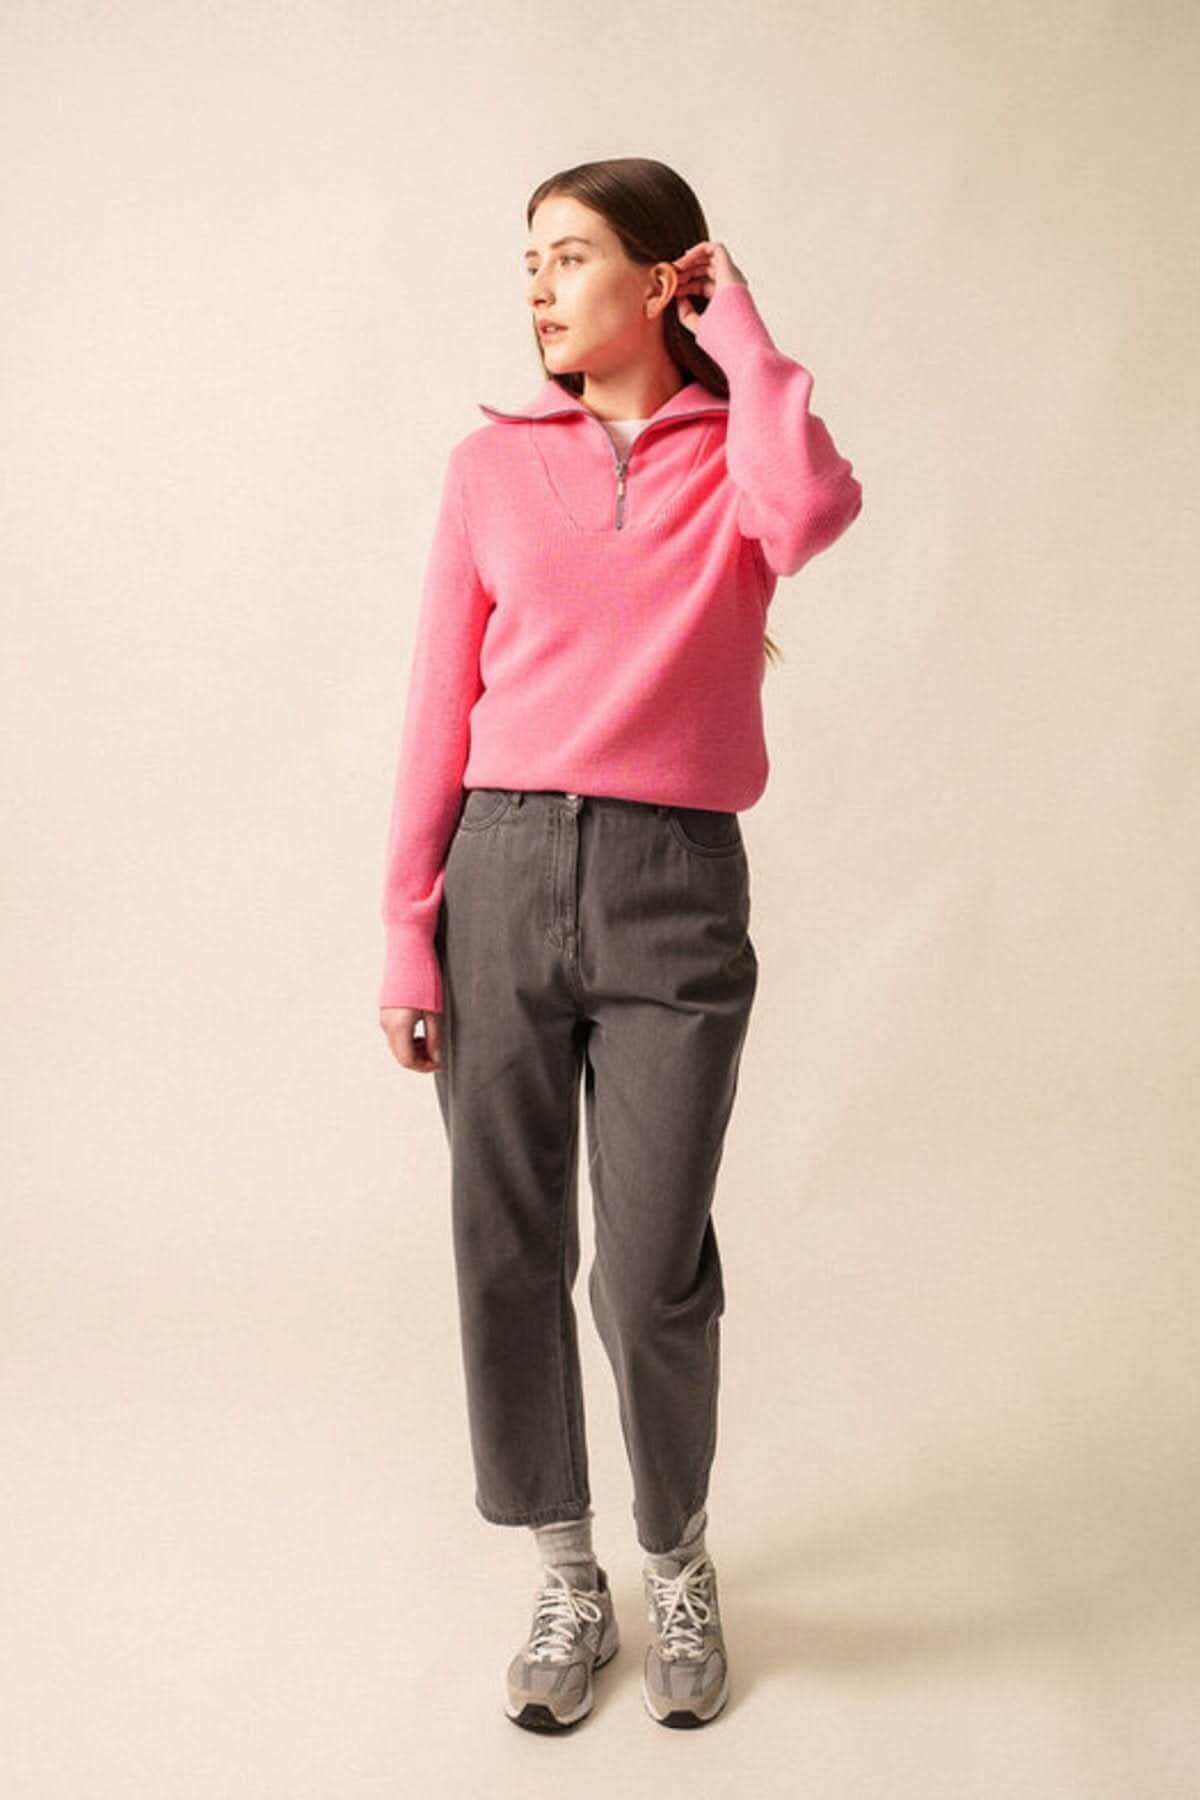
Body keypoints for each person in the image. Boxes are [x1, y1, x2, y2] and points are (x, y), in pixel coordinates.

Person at [377, 156, 863, 1731]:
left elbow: (815, 511)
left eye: (572, 254)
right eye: (529, 257)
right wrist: (406, 930)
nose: (537, 284)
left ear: (663, 281)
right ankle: (567, 1573)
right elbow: (436, 709)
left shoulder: (743, 458)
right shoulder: (487, 467)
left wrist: (748, 335)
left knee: (653, 1271)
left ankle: (678, 1553)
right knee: (507, 1244)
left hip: (675, 885)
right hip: (500, 870)